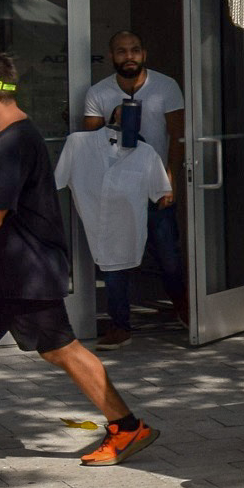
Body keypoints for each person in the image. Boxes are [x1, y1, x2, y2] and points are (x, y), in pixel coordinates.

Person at [0, 49, 156, 466]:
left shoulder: (15, 142)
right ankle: (127, 426)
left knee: (62, 349)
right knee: (61, 349)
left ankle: (127, 427)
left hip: (25, 273)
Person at [77, 31, 186, 327]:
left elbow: (178, 138)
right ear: (112, 56)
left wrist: (171, 181)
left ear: (144, 54)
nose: (129, 57)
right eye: (122, 51)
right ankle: (119, 325)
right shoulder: (98, 93)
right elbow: (89, 144)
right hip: (115, 190)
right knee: (115, 260)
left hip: (154, 186)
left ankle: (186, 311)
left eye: (134, 50)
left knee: (168, 255)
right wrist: (113, 121)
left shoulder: (165, 86)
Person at [53, 121, 173, 346]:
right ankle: (120, 325)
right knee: (115, 270)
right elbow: (56, 182)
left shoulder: (145, 153)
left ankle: (124, 324)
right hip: (97, 224)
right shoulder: (78, 145)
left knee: (146, 265)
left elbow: (163, 193)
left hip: (130, 227)